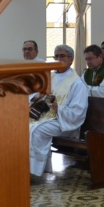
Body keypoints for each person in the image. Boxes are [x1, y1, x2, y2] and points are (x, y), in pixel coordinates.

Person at [29, 45, 88, 181]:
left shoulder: (77, 83)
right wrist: (37, 96)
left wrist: (58, 107)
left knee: (37, 131)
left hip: (64, 122)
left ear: (71, 59)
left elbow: (77, 112)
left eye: (62, 56)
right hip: (46, 117)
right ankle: (27, 166)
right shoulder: (50, 77)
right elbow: (37, 95)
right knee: (23, 127)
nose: (58, 59)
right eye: (56, 56)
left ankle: (34, 172)